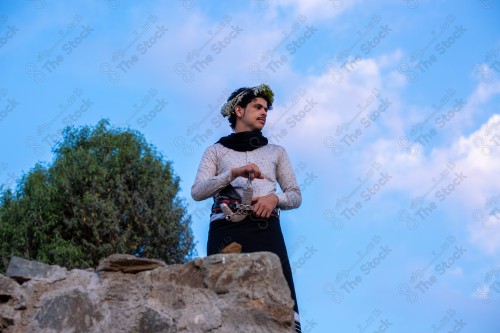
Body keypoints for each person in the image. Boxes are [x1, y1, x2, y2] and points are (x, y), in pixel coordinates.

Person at [191, 84, 303, 332]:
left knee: (277, 306)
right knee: (223, 303)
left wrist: (274, 199)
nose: (264, 112)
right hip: (225, 232)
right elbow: (197, 191)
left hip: (267, 231)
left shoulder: (277, 152)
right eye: (258, 107)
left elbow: (295, 196)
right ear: (239, 110)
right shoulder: (215, 152)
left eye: (266, 108)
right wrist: (232, 174)